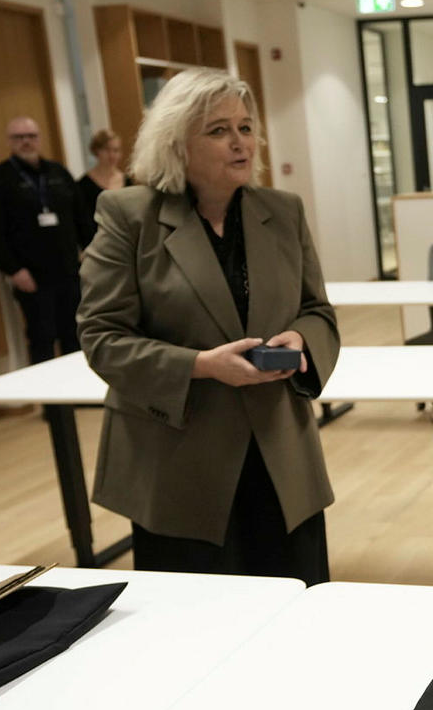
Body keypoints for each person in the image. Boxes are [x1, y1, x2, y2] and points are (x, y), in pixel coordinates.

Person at [76, 68, 340, 585]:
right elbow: (103, 338)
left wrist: (303, 339)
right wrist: (200, 366)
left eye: (245, 127)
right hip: (181, 460)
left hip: (280, 455)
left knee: (297, 609)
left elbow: (318, 311)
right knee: (198, 624)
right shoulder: (129, 215)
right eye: (218, 130)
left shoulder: (282, 211)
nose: (240, 142)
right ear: (176, 143)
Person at [0, 116, 85, 362]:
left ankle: (77, 397)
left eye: (31, 136)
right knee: (42, 338)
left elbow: (81, 218)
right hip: (31, 277)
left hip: (69, 271)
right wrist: (13, 270)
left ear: (39, 139)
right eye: (19, 137)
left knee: (75, 335)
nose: (26, 141)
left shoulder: (58, 173)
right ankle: (53, 402)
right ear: (10, 142)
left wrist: (89, 252)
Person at [73, 127, 129, 250]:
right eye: (107, 150)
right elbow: (81, 221)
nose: (112, 155)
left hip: (126, 243)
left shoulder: (128, 181)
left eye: (116, 150)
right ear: (96, 151)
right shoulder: (83, 185)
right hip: (97, 245)